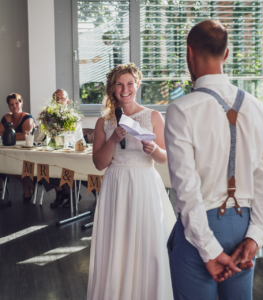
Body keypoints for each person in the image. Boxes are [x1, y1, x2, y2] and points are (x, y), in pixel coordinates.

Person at [165, 20, 263, 300]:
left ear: (189, 53)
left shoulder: (181, 110)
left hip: (200, 228)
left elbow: (187, 191)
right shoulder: (257, 108)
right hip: (245, 226)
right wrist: (256, 236)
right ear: (226, 54)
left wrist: (210, 250)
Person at [87, 63, 175, 300]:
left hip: (144, 184)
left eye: (129, 84)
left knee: (148, 244)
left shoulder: (153, 116)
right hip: (116, 185)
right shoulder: (103, 122)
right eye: (119, 84)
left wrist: (154, 148)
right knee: (117, 243)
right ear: (112, 88)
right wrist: (113, 139)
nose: (124, 89)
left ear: (137, 85)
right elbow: (99, 163)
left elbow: (165, 158)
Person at [40, 89, 84, 208]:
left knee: (63, 163)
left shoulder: (73, 117)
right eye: (56, 98)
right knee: (42, 163)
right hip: (53, 148)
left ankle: (72, 193)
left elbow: (78, 138)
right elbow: (42, 136)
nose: (59, 100)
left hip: (71, 150)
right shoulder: (48, 115)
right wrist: (43, 120)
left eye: (62, 98)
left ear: (67, 101)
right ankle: (60, 193)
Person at [0, 93, 35, 201]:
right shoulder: (7, 117)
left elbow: (26, 136)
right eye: (11, 104)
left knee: (20, 167)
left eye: (16, 103)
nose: (14, 106)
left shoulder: (27, 117)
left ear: (21, 104)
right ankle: (28, 183)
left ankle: (26, 189)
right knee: (3, 165)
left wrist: (9, 135)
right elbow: (0, 133)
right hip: (9, 150)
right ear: (9, 106)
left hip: (26, 152)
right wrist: (17, 135)